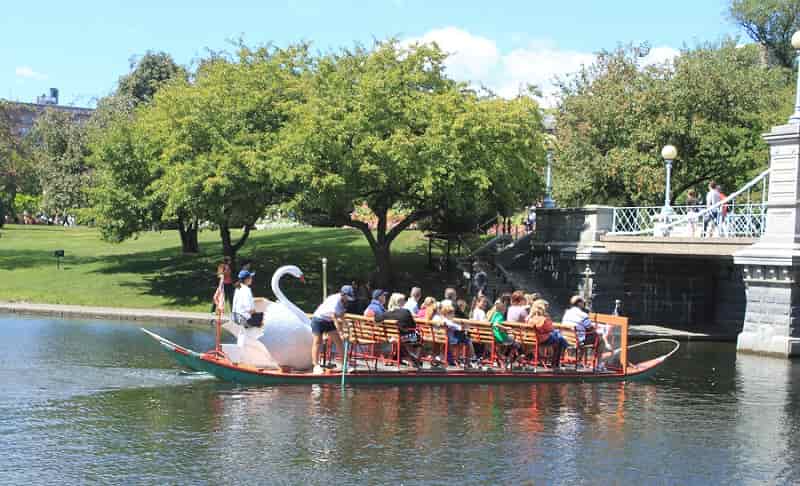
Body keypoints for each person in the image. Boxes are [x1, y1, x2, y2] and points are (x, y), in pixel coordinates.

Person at [310, 285, 354, 373]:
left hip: (329, 320)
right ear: (343, 294)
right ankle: (316, 366)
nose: (349, 299)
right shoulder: (335, 300)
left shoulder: (344, 302)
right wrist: (341, 333)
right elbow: (334, 318)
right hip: (318, 319)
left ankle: (345, 365)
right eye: (348, 297)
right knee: (317, 342)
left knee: (338, 342)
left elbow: (341, 316)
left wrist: (346, 326)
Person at [378, 293, 422, 368]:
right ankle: (415, 357)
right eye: (404, 300)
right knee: (418, 337)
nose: (405, 302)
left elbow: (376, 319)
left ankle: (408, 357)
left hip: (391, 338)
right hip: (403, 338)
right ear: (399, 302)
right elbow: (413, 326)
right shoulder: (405, 312)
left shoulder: (387, 313)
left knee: (407, 337)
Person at [562, 295, 604, 368]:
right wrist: (598, 330)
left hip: (567, 338)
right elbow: (591, 328)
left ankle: (579, 361)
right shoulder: (583, 315)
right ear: (579, 303)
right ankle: (597, 364)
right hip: (578, 340)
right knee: (600, 340)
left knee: (585, 336)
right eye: (583, 302)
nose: (584, 304)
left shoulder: (567, 312)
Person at [528, 299, 568, 369]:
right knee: (560, 340)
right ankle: (555, 363)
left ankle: (557, 359)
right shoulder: (543, 319)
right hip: (542, 340)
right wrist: (548, 318)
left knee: (558, 336)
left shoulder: (529, 318)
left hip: (533, 339)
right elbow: (550, 329)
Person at [489, 300, 520, 366]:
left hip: (495, 336)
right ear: (502, 310)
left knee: (511, 338)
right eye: (505, 310)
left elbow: (493, 324)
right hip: (501, 338)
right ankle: (507, 358)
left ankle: (501, 356)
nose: (505, 311)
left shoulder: (494, 315)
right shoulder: (500, 316)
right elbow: (496, 324)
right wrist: (506, 328)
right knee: (517, 342)